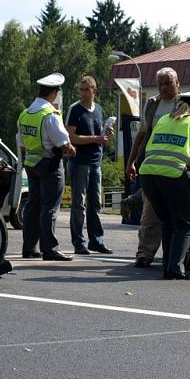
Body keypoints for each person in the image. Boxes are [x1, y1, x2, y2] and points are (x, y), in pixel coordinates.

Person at [138, 91, 190, 279]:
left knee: (167, 222)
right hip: (175, 176)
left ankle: (168, 264)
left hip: (149, 176)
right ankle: (175, 268)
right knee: (185, 225)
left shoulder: (164, 120)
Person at [17, 73, 76, 261]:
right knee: (50, 207)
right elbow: (64, 144)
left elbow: (23, 142)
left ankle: (29, 248)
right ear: (54, 93)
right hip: (50, 164)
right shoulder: (50, 115)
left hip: (31, 164)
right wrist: (72, 150)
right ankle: (49, 248)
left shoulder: (25, 114)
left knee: (33, 207)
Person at [125, 67, 180, 267]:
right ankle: (145, 254)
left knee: (175, 215)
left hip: (177, 169)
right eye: (161, 84)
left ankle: (172, 256)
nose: (164, 87)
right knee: (150, 214)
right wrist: (130, 161)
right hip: (152, 167)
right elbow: (140, 135)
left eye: (168, 83)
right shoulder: (152, 105)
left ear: (177, 83)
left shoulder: (185, 104)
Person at [65, 76, 115, 255]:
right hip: (79, 162)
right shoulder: (75, 109)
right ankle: (79, 242)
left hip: (96, 161)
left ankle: (96, 240)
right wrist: (97, 138)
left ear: (95, 90)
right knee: (79, 204)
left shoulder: (99, 109)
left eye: (87, 89)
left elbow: (99, 137)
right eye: (81, 89)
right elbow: (71, 137)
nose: (84, 93)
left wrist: (105, 134)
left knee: (95, 204)